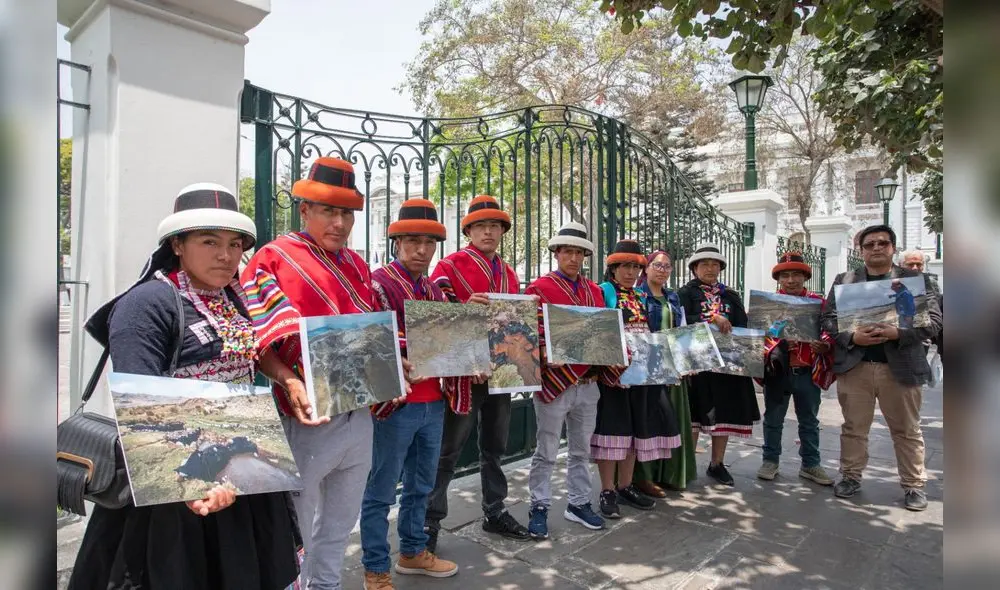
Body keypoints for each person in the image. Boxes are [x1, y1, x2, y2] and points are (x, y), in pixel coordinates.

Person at [69, 184, 299, 590]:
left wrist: (286, 377)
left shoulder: (233, 296)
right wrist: (194, 485)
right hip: (175, 487)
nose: (225, 255)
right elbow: (141, 404)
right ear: (177, 244)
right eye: (209, 241)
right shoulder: (148, 304)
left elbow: (251, 349)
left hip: (240, 474)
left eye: (234, 244)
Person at [241, 157, 392, 590]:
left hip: (357, 414)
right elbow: (255, 341)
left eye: (347, 213)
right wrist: (289, 380)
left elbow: (369, 334)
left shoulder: (358, 267)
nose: (340, 222)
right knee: (296, 524)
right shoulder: (274, 259)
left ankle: (325, 585)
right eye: (329, 211)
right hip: (303, 418)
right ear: (304, 209)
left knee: (340, 523)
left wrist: (391, 363)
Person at [361, 199, 462, 589]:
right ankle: (375, 567)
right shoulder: (378, 283)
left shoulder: (435, 289)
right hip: (395, 406)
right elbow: (374, 338)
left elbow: (452, 341)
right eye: (413, 241)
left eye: (430, 243)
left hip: (433, 402)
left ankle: (412, 551)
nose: (422, 250)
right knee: (381, 490)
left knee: (422, 484)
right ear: (397, 242)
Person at [424, 195, 530, 552]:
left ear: (502, 231)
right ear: (468, 230)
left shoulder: (510, 272)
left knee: (495, 447)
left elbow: (516, 323)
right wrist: (463, 310)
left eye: (496, 225)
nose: (489, 231)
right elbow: (434, 315)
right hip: (464, 374)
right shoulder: (449, 266)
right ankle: (429, 522)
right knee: (448, 450)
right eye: (481, 225)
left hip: (501, 374)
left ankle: (494, 510)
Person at [821, 224, 942, 511]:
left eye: (882, 243)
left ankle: (914, 485)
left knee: (906, 429)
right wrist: (852, 336)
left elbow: (934, 323)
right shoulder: (845, 280)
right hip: (856, 367)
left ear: (892, 248)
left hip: (899, 368)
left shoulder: (917, 280)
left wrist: (897, 333)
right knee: (853, 428)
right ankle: (850, 476)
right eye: (869, 244)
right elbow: (827, 319)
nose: (876, 248)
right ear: (860, 251)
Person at [522, 222, 609, 539]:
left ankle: (578, 503)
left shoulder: (595, 291)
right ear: (557, 253)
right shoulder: (539, 289)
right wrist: (547, 352)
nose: (573, 257)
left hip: (588, 383)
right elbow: (530, 331)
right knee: (545, 451)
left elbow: (603, 332)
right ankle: (539, 506)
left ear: (584, 256)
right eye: (567, 251)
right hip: (555, 383)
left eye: (579, 252)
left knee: (581, 450)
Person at [591, 239, 681, 517]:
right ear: (613, 269)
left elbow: (654, 334)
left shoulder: (642, 296)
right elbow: (598, 328)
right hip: (614, 375)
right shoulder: (603, 291)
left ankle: (625, 486)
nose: (630, 273)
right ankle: (607, 489)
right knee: (612, 432)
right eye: (624, 267)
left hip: (643, 374)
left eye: (634, 267)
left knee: (633, 432)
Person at [677, 244, 761, 486]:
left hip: (726, 366)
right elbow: (678, 320)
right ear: (694, 268)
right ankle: (688, 464)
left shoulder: (729, 295)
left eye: (715, 264)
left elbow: (743, 325)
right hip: (697, 363)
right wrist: (710, 318)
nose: (710, 268)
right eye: (704, 264)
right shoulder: (685, 293)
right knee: (695, 414)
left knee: (723, 413)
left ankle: (717, 464)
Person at [756, 251, 835, 486]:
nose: (791, 280)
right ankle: (770, 460)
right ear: (779, 279)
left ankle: (811, 464)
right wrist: (775, 343)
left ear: (805, 277)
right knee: (772, 419)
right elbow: (759, 337)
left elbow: (829, 330)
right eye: (786, 276)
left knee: (809, 420)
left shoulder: (819, 304)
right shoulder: (768, 304)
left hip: (807, 372)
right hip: (778, 372)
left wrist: (824, 344)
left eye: (796, 275)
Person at [633, 249, 697, 492]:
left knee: (671, 420)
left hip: (671, 368)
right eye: (657, 265)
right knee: (648, 419)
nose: (662, 270)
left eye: (667, 266)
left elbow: (681, 330)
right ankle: (645, 476)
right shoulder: (638, 296)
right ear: (646, 268)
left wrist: (686, 362)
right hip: (647, 366)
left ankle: (671, 473)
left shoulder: (673, 298)